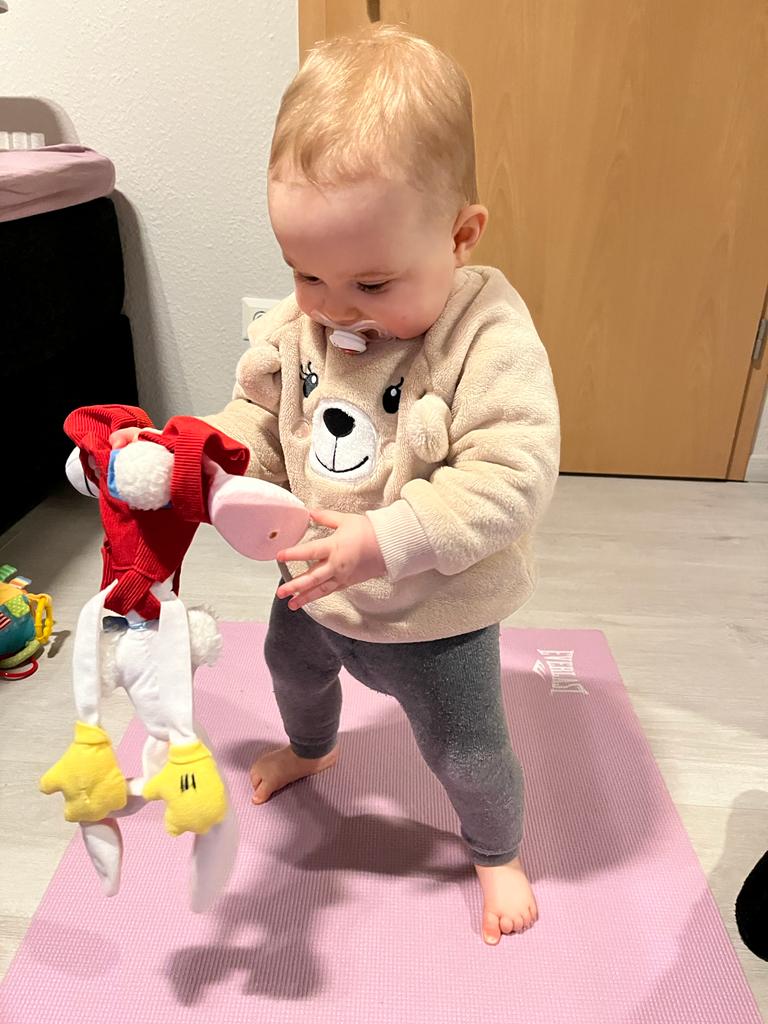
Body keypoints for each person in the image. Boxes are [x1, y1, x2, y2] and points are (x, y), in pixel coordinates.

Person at [114, 24, 559, 944]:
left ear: (461, 236)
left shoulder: (486, 337)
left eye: (372, 283)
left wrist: (387, 539)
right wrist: (196, 462)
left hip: (434, 616)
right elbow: (256, 419)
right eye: (306, 272)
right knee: (290, 671)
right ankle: (314, 749)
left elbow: (511, 477)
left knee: (467, 751)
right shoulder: (302, 322)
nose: (333, 306)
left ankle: (496, 849)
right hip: (313, 590)